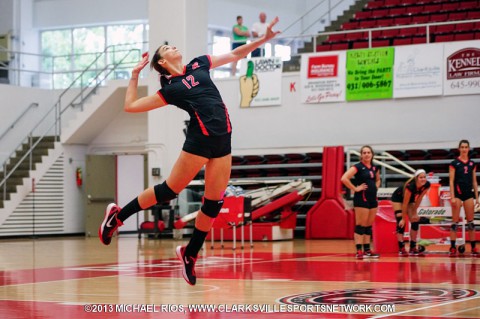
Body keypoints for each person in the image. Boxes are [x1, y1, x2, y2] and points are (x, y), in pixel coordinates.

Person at [98, 17, 281, 286]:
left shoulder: (199, 63)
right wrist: (135, 76)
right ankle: (118, 216)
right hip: (199, 141)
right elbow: (131, 106)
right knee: (169, 191)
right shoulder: (171, 89)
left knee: (213, 204)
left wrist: (263, 40)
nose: (173, 48)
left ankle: (189, 254)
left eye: (172, 45)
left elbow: (236, 53)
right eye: (167, 48)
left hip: (223, 140)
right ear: (161, 61)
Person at [341, 145, 381, 259]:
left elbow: (378, 180)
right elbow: (344, 178)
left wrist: (375, 187)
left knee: (368, 226)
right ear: (361, 155)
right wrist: (355, 188)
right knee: (360, 225)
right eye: (364, 152)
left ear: (372, 154)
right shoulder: (357, 167)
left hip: (373, 199)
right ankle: (359, 250)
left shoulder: (375, 168)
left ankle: (367, 250)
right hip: (361, 198)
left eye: (369, 152)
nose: (367, 154)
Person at [448, 139, 479, 257]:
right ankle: (452, 246)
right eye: (462, 147)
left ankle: (473, 247)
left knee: (470, 223)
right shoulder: (454, 163)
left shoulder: (472, 164)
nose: (464, 149)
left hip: (468, 194)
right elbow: (451, 181)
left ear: (469, 149)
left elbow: (474, 182)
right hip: (457, 194)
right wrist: (452, 197)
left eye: (466, 147)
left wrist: (477, 197)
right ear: (459, 148)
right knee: (454, 223)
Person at [394, 169, 431, 256]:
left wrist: (414, 211)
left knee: (415, 220)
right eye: (421, 177)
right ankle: (401, 247)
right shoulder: (410, 186)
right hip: (397, 199)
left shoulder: (427, 185)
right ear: (416, 178)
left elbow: (419, 199)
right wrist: (403, 219)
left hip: (410, 200)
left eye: (424, 177)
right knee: (400, 220)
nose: (423, 179)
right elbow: (405, 203)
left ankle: (413, 247)